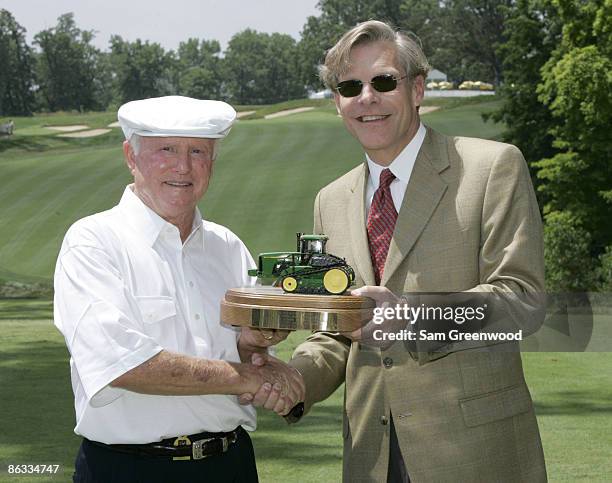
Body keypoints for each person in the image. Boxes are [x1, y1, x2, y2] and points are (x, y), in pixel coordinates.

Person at [244, 21, 547, 482]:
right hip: (371, 458)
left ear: (418, 89)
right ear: (337, 102)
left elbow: (522, 302)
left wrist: (411, 316)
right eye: (350, 86)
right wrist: (295, 380)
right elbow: (337, 330)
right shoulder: (331, 199)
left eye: (383, 81)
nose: (367, 97)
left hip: (475, 456)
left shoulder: (491, 168)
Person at [53, 95, 304, 483]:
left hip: (230, 465)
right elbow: (123, 364)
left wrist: (255, 347)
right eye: (166, 149)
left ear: (212, 162)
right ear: (130, 156)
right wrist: (247, 377)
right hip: (128, 470)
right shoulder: (93, 242)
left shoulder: (228, 247)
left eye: (198, 151)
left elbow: (245, 353)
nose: (183, 166)